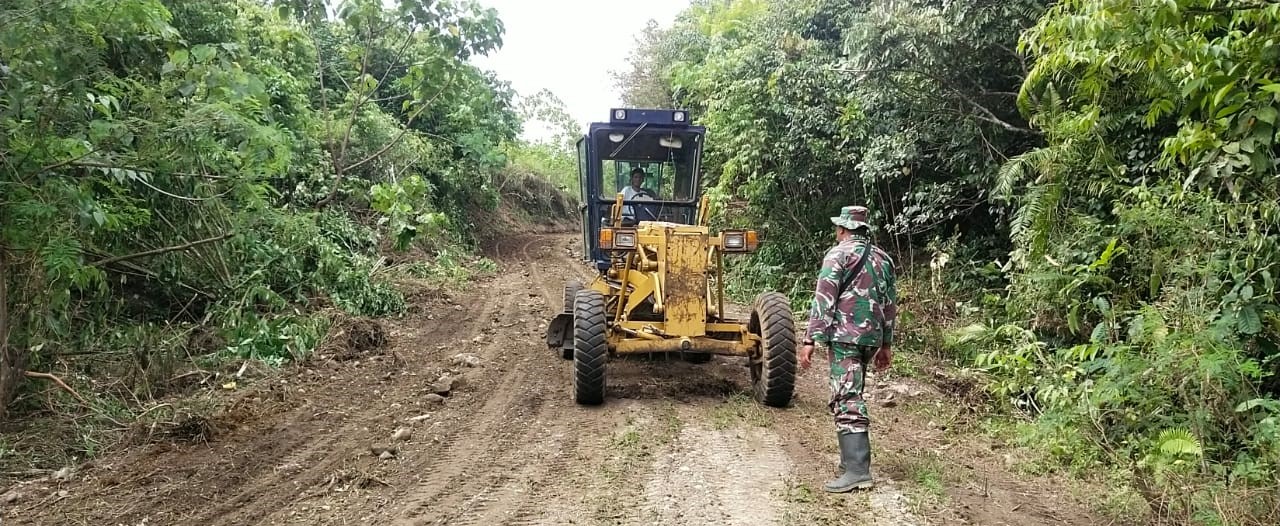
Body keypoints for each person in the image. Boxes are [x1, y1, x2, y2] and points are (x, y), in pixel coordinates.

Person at [799, 205, 898, 493]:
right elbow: (890, 305)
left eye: (837, 229)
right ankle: (849, 462)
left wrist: (809, 340)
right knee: (852, 390)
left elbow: (823, 301)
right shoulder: (884, 259)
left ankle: (857, 470)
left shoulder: (837, 255)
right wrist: (887, 344)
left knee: (847, 396)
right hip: (872, 339)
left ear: (843, 229)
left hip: (845, 338)